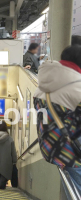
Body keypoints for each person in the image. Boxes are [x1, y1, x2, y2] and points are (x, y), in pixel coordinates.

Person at [34, 45, 81, 196]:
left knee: (72, 192)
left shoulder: (42, 85)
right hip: (72, 153)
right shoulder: (76, 87)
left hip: (52, 149)